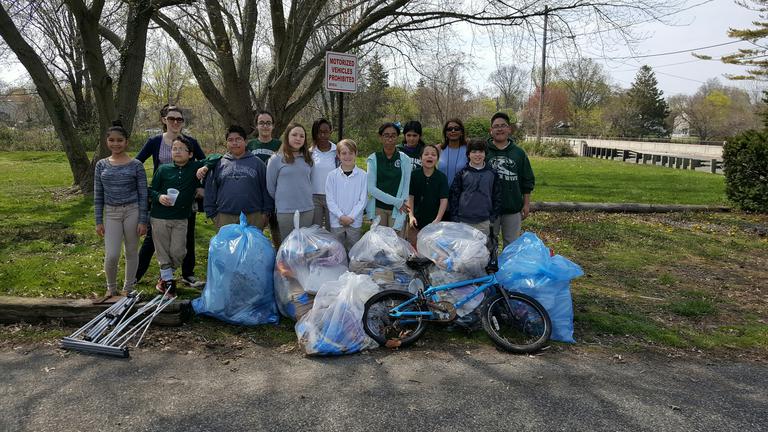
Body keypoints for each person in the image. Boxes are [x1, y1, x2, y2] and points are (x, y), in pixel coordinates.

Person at [135, 104, 206, 288]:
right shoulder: (155, 141)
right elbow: (136, 163)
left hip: (185, 199)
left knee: (186, 238)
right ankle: (136, 275)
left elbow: (204, 165)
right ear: (164, 120)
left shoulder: (191, 142)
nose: (175, 122)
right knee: (152, 240)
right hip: (162, 199)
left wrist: (200, 186)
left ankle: (187, 274)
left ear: (182, 122)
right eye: (171, 118)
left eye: (179, 119)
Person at [93, 121, 148, 301]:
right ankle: (111, 288)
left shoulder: (136, 165)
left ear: (126, 142)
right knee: (113, 254)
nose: (115, 144)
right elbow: (98, 194)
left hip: (132, 210)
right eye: (111, 140)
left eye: (120, 140)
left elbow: (143, 193)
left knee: (131, 251)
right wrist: (98, 220)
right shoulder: (101, 165)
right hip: (111, 213)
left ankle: (128, 288)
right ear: (106, 141)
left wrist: (143, 220)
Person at [148, 136, 208, 296]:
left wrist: (204, 168)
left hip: (181, 218)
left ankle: (165, 276)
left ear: (190, 154)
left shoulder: (194, 167)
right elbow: (151, 190)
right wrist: (159, 197)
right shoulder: (163, 169)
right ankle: (167, 282)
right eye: (174, 148)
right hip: (159, 216)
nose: (177, 151)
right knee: (162, 250)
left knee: (179, 251)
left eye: (181, 149)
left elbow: (215, 158)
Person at [204, 125, 273, 230]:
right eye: (230, 140)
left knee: (252, 246)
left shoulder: (258, 163)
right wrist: (212, 214)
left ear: (245, 142)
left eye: (238, 139)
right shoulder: (219, 164)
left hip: (254, 216)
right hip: (225, 216)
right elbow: (210, 190)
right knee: (228, 246)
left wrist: (266, 213)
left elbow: (266, 189)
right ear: (227, 143)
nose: (234, 143)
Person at [485, 112, 535, 247]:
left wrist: (526, 204)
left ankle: (508, 268)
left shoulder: (518, 153)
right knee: (489, 243)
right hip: (489, 208)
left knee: (511, 244)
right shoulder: (484, 152)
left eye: (503, 126)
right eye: (496, 126)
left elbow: (527, 180)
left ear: (509, 129)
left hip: (513, 207)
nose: (499, 129)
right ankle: (491, 268)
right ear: (491, 131)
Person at [449, 139, 502, 248]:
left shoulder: (492, 173)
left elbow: (497, 196)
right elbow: (454, 196)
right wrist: (455, 218)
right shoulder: (462, 173)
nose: (477, 155)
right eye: (474, 152)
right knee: (464, 251)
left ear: (485, 154)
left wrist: (493, 217)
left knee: (481, 252)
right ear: (468, 154)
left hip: (484, 221)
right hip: (464, 221)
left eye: (481, 151)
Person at [266, 123, 314, 242]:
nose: (298, 138)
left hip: (307, 209)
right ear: (287, 137)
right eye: (294, 135)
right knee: (288, 245)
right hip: (285, 211)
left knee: (305, 245)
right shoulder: (276, 159)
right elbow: (271, 187)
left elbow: (310, 181)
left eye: (302, 136)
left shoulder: (308, 158)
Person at [365, 122, 412, 235]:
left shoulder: (405, 159)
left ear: (397, 137)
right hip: (379, 208)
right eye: (386, 135)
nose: (390, 139)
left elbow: (406, 187)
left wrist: (400, 205)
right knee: (380, 246)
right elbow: (371, 188)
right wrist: (397, 202)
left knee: (396, 246)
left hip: (398, 210)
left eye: (393, 135)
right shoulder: (373, 158)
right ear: (380, 137)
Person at [246, 110, 282, 246]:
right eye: (262, 123)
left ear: (273, 126)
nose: (265, 126)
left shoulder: (280, 145)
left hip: (275, 194)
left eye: (268, 123)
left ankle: (281, 263)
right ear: (256, 126)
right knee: (254, 233)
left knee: (278, 234)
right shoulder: (250, 145)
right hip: (256, 194)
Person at [325, 139, 367, 251]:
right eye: (344, 153)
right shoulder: (332, 176)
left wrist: (351, 217)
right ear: (338, 155)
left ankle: (352, 268)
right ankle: (339, 268)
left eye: (351, 153)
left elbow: (362, 200)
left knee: (353, 250)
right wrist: (341, 216)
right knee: (337, 251)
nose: (347, 156)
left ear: (356, 153)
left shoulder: (363, 175)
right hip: (336, 220)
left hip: (354, 221)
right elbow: (330, 200)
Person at [406, 144, 448, 247]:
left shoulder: (441, 177)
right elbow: (410, 197)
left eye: (433, 155)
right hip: (415, 221)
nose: (430, 156)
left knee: (432, 250)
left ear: (437, 159)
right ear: (420, 158)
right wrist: (411, 216)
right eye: (426, 154)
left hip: (434, 221)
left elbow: (444, 200)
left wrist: (438, 219)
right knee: (414, 248)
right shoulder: (414, 175)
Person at [310, 118, 337, 230]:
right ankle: (319, 249)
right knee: (316, 230)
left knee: (333, 229)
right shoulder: (310, 152)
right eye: (319, 132)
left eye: (326, 132)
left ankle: (334, 248)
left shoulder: (337, 151)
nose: (322, 135)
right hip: (314, 197)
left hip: (333, 196)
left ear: (330, 132)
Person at [437, 118, 468, 187]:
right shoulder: (438, 149)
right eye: (449, 129)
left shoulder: (468, 149)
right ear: (446, 133)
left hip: (461, 194)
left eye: (456, 129)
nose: (453, 131)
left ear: (461, 132)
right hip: (441, 193)